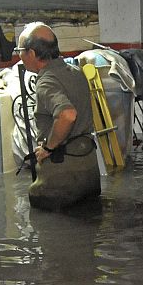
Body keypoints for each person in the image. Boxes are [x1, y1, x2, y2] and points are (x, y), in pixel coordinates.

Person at [16, 22, 100, 210]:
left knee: (42, 217)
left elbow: (67, 114)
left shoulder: (46, 81)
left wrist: (48, 147)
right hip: (89, 168)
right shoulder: (76, 72)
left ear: (31, 53)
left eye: (19, 50)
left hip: (64, 175)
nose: (19, 55)